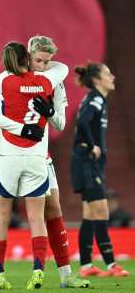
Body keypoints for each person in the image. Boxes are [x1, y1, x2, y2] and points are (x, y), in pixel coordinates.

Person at [0, 36, 90, 290]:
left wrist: (51, 112)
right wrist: (23, 129)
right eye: (39, 60)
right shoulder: (7, 78)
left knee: (53, 210)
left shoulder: (53, 83)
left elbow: (60, 125)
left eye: (47, 61)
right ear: (28, 57)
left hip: (40, 155)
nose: (44, 65)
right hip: (10, 150)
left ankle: (66, 276)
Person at [70, 62, 129, 277]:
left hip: (87, 163)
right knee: (101, 211)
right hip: (87, 163)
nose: (112, 76)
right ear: (97, 79)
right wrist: (92, 144)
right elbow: (83, 121)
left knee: (90, 214)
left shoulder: (96, 99)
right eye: (108, 73)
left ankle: (86, 266)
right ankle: (112, 265)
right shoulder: (95, 98)